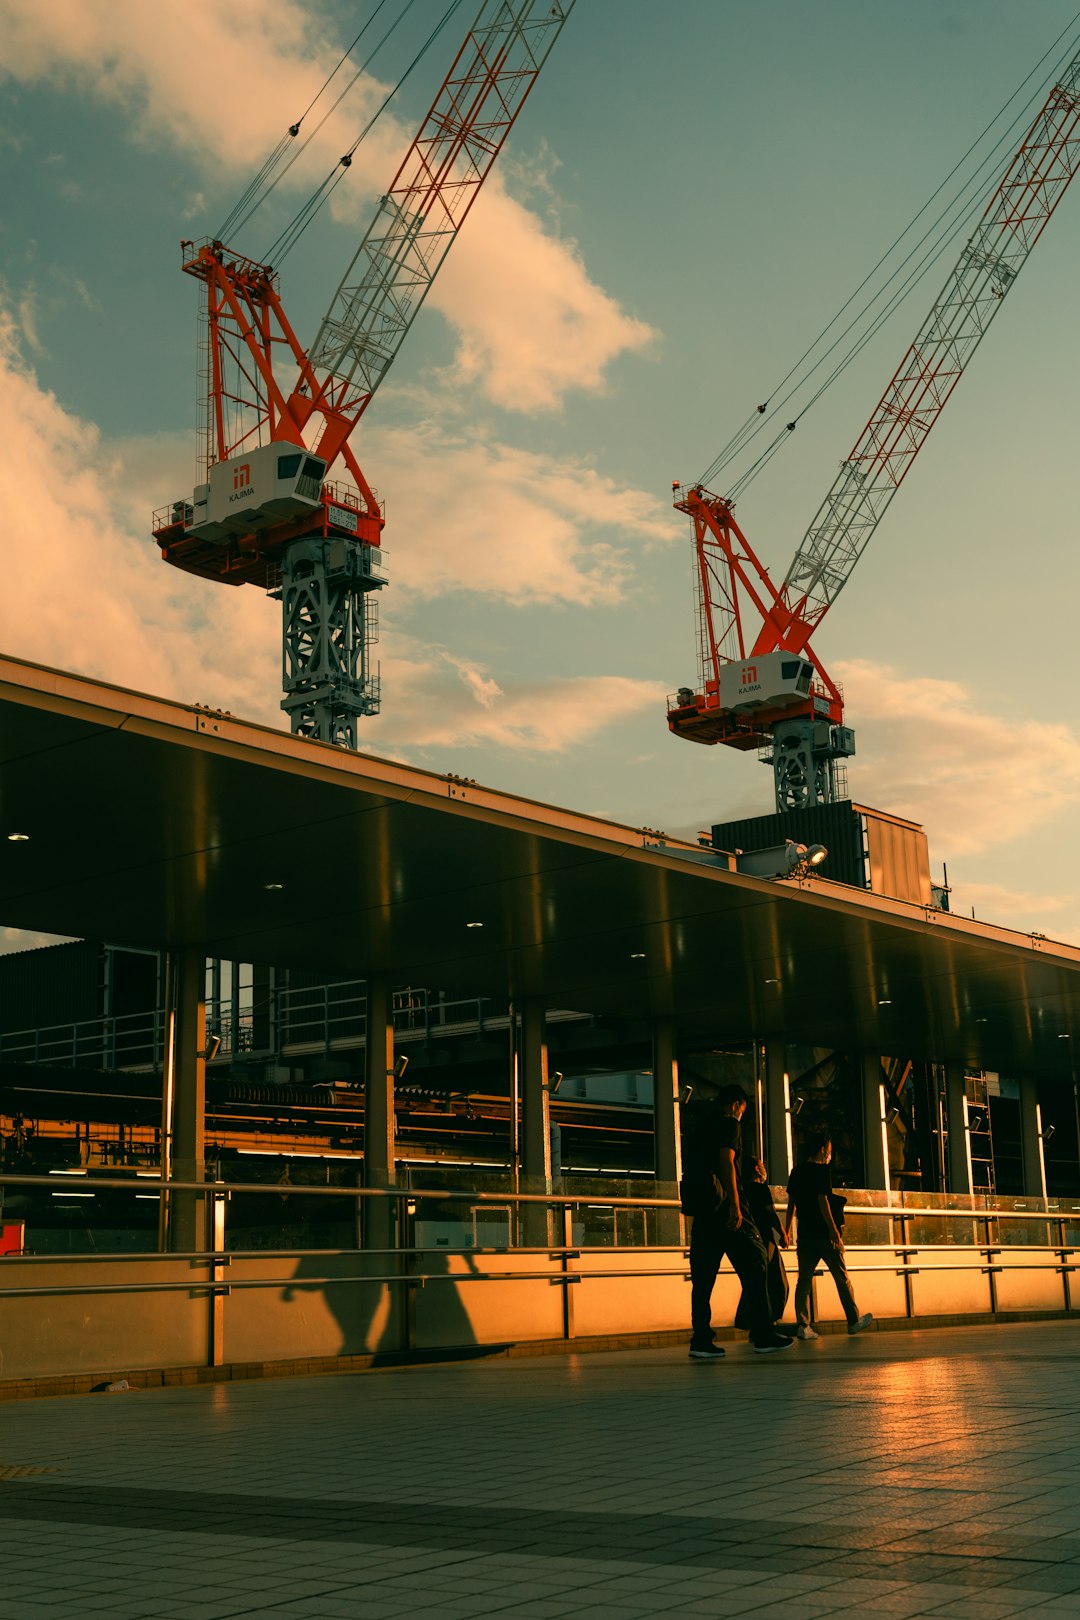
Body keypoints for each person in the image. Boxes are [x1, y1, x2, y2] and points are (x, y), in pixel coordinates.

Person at [681, 1083, 793, 1358]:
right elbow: (726, 1162)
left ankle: (701, 1339)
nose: (741, 1115)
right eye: (742, 1110)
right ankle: (763, 1333)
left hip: (704, 1210)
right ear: (735, 1105)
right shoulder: (729, 1125)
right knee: (757, 1262)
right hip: (727, 1211)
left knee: (703, 1278)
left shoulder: (698, 1126)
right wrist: (735, 1205)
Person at [785, 1134, 872, 1339]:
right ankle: (853, 1321)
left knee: (804, 1281)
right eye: (830, 1150)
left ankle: (802, 1325)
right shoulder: (822, 1171)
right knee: (842, 1278)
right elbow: (822, 1200)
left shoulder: (796, 1171)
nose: (830, 1155)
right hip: (824, 1235)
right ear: (823, 1149)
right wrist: (833, 1229)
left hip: (805, 1235)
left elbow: (792, 1204)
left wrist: (786, 1230)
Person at [734, 1159, 789, 1331]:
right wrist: (784, 1234)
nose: (765, 1169)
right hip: (765, 1239)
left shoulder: (741, 1189)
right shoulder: (760, 1189)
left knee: (756, 1279)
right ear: (757, 1169)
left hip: (747, 1238)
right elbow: (770, 1213)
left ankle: (751, 1321)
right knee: (777, 1281)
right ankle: (767, 1322)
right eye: (763, 1166)